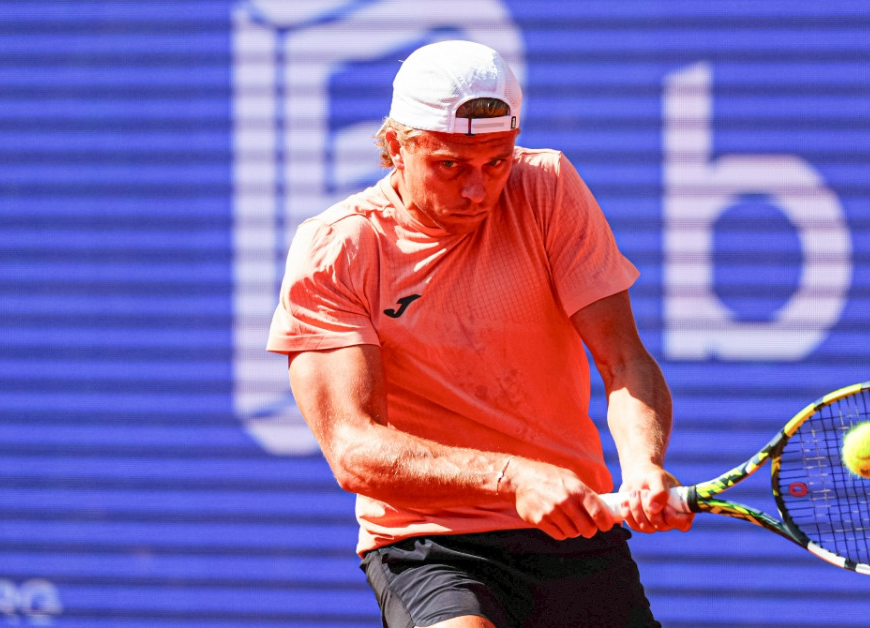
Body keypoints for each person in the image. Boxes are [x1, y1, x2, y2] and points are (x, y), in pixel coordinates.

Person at [267, 39, 692, 628]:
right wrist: (513, 477)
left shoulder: (547, 187)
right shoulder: (339, 247)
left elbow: (624, 362)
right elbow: (353, 450)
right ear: (396, 146)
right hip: (430, 543)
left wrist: (643, 464)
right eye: (450, 165)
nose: (477, 190)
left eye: (496, 163)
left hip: (575, 528)